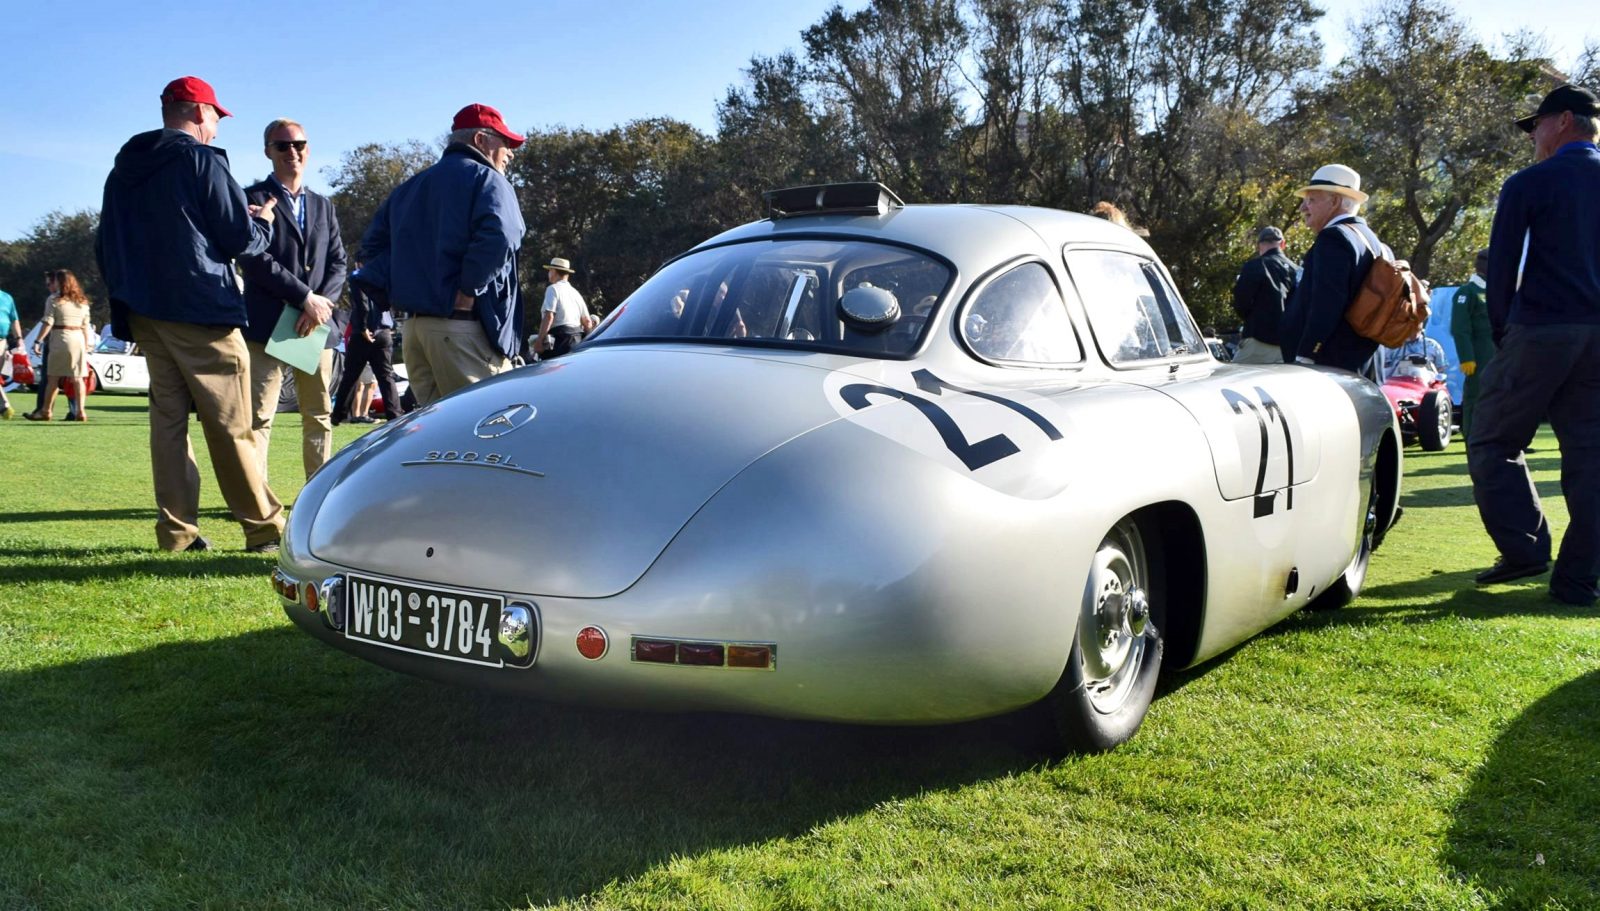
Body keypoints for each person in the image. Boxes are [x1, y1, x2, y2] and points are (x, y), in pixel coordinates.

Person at [95, 75, 285, 553]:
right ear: (200, 112)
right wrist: (260, 224)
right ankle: (264, 529)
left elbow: (104, 244)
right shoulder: (202, 159)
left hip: (143, 310)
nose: (217, 128)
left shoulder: (123, 170)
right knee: (231, 423)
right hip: (201, 308)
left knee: (168, 423)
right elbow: (237, 239)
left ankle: (177, 533)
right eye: (217, 118)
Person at [1467, 84, 1600, 607]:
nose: (1533, 137)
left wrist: (1504, 332)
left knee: (1492, 441)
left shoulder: (1529, 183)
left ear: (1563, 120)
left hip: (1541, 329)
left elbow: (1500, 269)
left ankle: (1524, 551)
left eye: (1536, 125)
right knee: (1592, 461)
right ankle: (1577, 580)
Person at [359, 103, 526, 406]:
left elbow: (369, 252)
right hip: (461, 328)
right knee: (486, 432)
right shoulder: (488, 179)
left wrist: (398, 293)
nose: (510, 152)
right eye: (505, 142)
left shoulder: (409, 187)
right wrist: (468, 289)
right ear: (480, 140)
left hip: (414, 331)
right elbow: (502, 234)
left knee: (438, 440)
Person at [238, 117, 346, 482]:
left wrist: (321, 305)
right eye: (282, 146)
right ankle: (256, 498)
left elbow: (338, 262)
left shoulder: (324, 206)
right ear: (268, 152)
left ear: (308, 149)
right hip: (268, 324)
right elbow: (253, 259)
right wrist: (305, 298)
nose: (292, 152)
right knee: (258, 417)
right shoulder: (250, 199)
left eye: (298, 144)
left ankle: (317, 493)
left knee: (318, 415)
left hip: (315, 326)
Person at [1279, 164, 1386, 377]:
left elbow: (1326, 304)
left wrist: (1307, 354)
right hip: (1363, 367)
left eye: (1311, 200)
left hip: (1331, 367)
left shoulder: (1334, 238)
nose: (1302, 208)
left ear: (1335, 201)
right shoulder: (1375, 243)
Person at [332, 267, 404, 424]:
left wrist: (364, 326)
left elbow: (362, 304)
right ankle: (395, 413)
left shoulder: (358, 278)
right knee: (386, 377)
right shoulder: (385, 276)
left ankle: (339, 414)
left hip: (364, 332)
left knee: (351, 375)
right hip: (384, 330)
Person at [25, 270, 95, 422]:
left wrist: (38, 341)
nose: (53, 284)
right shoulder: (82, 302)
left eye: (55, 281)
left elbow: (48, 321)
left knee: (53, 378)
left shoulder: (54, 299)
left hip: (61, 338)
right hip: (78, 340)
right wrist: (87, 343)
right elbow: (85, 325)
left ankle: (46, 410)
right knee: (78, 378)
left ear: (61, 282)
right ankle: (81, 411)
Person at [1230, 226, 1298, 364]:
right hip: (1289, 346)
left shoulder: (1254, 266)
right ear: (1283, 244)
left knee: (1230, 381)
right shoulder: (1297, 270)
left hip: (1258, 339)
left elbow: (1241, 302)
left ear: (1259, 246)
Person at [1450, 248, 1495, 442]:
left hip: (1499, 354)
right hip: (1479, 355)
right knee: (1475, 396)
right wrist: (1467, 357)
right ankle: (1471, 434)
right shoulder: (1467, 292)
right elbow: (1460, 329)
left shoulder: (1497, 290)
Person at [534, 257, 592, 358]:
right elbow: (587, 321)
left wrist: (539, 341)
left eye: (549, 271)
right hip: (577, 340)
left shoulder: (552, 289)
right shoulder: (575, 293)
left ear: (554, 271)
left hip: (559, 341)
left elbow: (549, 316)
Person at [1380, 326, 1450, 381]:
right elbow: (1382, 369)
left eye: (1416, 322)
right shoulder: (1392, 344)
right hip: (1397, 385)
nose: (1412, 326)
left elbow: (1441, 370)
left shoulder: (1432, 345)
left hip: (1425, 388)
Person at [0, 285, 19, 419]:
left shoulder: (7, 298)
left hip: (1, 341)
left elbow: (14, 319)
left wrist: (19, 338)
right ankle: (4, 405)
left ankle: (4, 406)